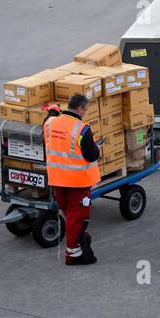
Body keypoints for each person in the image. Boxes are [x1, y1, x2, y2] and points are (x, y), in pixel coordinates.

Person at [43, 93, 101, 265]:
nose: (85, 113)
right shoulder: (82, 129)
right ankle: (73, 254)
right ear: (80, 108)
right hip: (77, 182)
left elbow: (47, 121)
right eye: (85, 109)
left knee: (70, 215)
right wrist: (98, 149)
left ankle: (77, 244)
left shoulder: (51, 123)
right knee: (79, 218)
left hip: (57, 181)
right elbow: (91, 155)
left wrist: (53, 111)